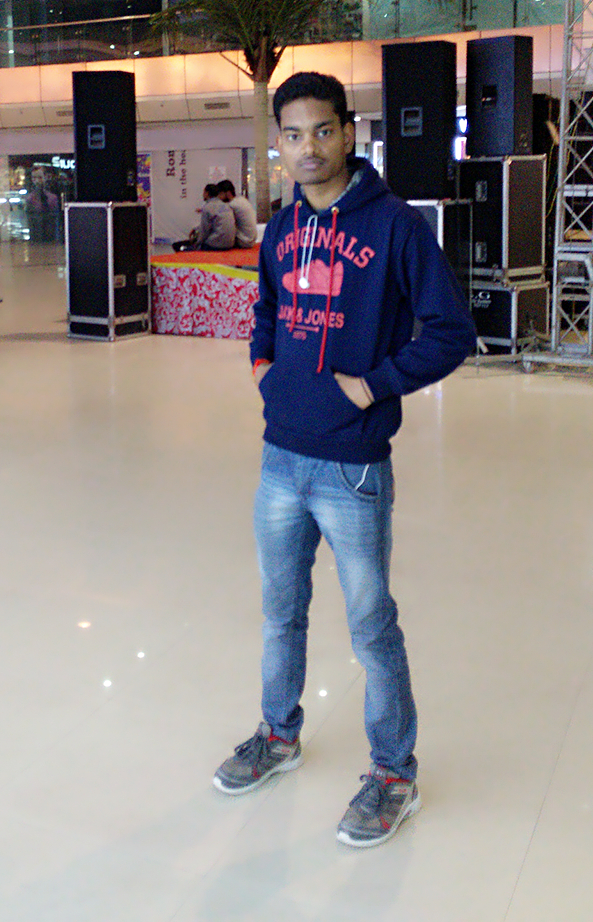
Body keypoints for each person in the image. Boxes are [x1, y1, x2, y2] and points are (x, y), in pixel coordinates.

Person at [213, 71, 476, 849]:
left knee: (370, 628)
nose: (308, 148)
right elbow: (266, 307)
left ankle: (394, 774)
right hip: (280, 458)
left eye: (322, 131)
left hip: (353, 465)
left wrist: (372, 386)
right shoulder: (280, 229)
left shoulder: (395, 225)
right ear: (278, 142)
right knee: (280, 613)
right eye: (293, 134)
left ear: (349, 133)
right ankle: (278, 734)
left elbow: (451, 332)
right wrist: (264, 369)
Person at [191, 184, 236, 251]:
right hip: (230, 244)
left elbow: (204, 231)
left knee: (186, 248)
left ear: (207, 193)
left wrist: (196, 244)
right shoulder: (226, 205)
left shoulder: (207, 207)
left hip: (215, 245)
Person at [217, 179, 257, 248]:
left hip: (243, 241)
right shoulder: (242, 200)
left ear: (228, 193)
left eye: (220, 194)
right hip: (251, 239)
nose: (218, 198)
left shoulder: (231, 205)